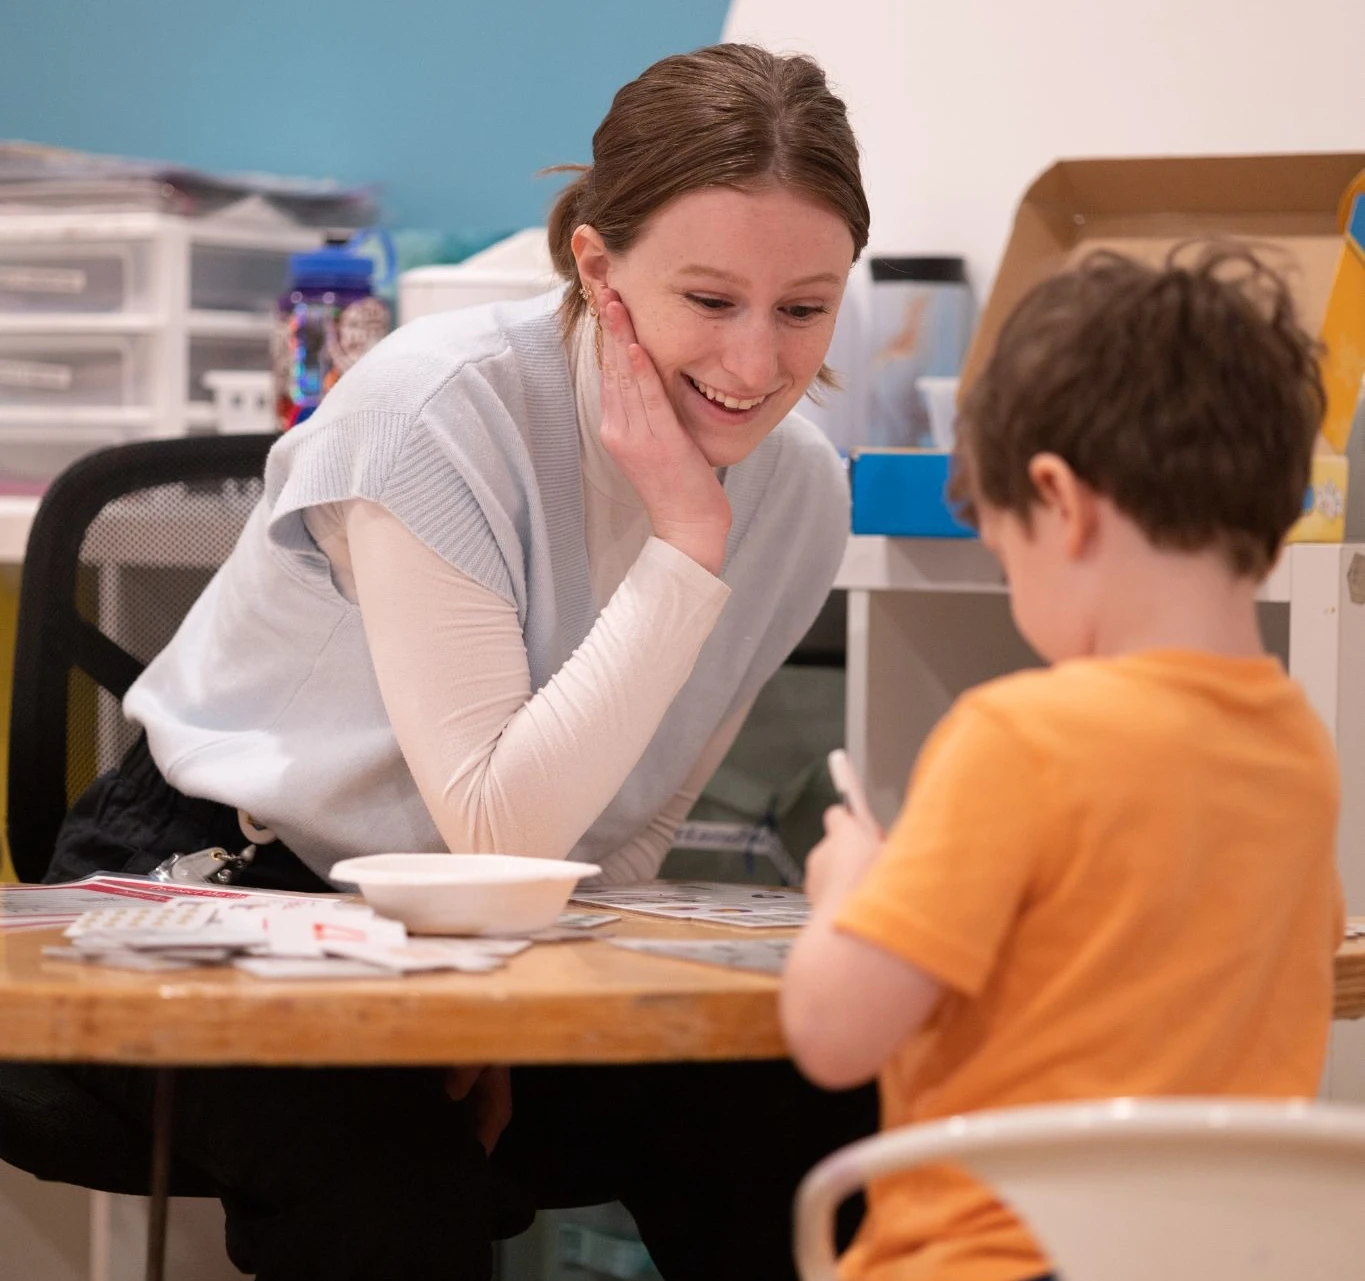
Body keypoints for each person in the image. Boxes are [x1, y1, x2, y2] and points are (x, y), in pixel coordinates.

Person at [17, 43, 879, 1281]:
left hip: (512, 917)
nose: (756, 367)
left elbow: (633, 812)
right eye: (708, 301)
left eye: (804, 309)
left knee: (807, 1105)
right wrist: (688, 542)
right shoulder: (431, 408)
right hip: (229, 876)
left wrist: (526, 993)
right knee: (390, 1171)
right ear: (600, 265)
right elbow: (490, 825)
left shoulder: (805, 493)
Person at [781, 246, 1343, 1281]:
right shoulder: (1300, 752)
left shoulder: (1017, 737)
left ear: (1060, 500)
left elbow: (830, 1032)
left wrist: (848, 890)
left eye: (1003, 553)